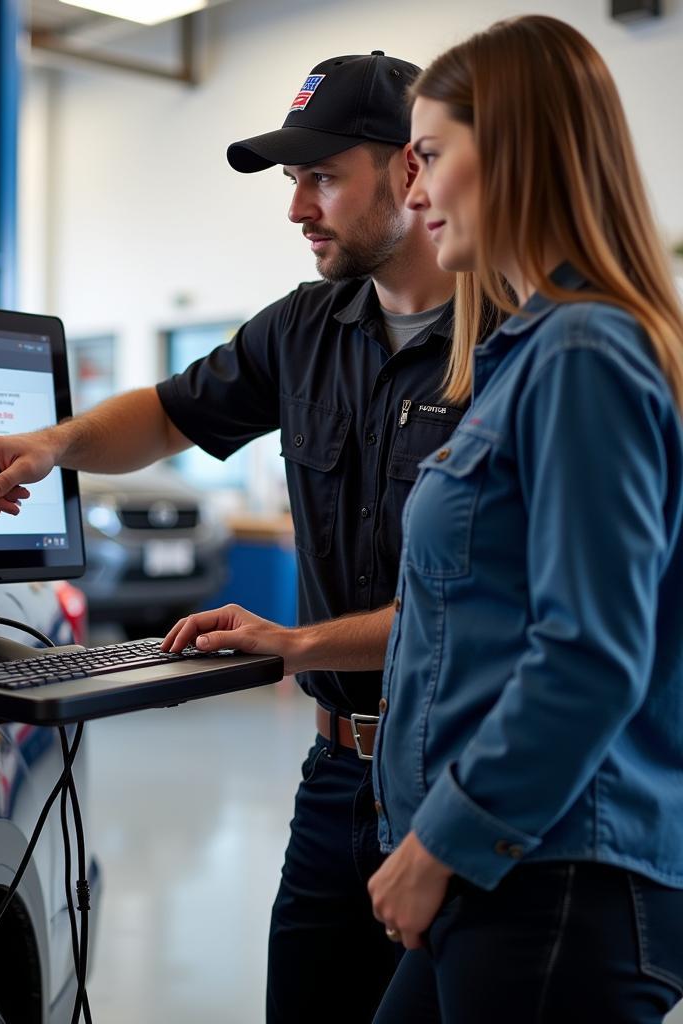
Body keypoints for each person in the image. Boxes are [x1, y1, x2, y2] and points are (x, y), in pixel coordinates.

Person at [0, 52, 459, 1023]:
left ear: (409, 169)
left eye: (322, 175)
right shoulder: (302, 328)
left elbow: (514, 608)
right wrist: (55, 442)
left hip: (466, 768)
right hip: (337, 770)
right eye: (292, 180)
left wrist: (295, 644)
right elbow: (168, 414)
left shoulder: (513, 347)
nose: (297, 207)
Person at [364, 16, 683, 1024]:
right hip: (514, 866)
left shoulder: (584, 353)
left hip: (558, 876)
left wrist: (436, 843)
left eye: (427, 156)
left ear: (511, 151)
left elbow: (588, 654)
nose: (411, 195)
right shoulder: (526, 356)